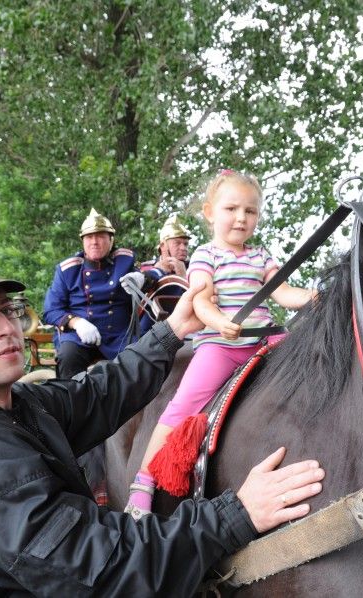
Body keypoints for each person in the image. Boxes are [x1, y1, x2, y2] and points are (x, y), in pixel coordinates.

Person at [0, 262, 324, 596]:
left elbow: (98, 395)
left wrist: (173, 331)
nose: (7, 328)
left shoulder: (9, 406)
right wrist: (236, 515)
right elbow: (102, 571)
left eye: (7, 311)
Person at [126, 170, 316, 518]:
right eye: (232, 209)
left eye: (250, 211)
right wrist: (218, 322)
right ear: (210, 212)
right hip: (221, 344)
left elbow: (283, 293)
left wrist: (312, 297)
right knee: (183, 404)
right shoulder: (205, 255)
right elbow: (200, 299)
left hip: (266, 339)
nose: (242, 218)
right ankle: (144, 480)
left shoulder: (261, 256)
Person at [42, 208, 158, 379]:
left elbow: (155, 277)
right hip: (78, 337)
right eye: (89, 237)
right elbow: (50, 310)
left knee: (143, 361)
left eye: (101, 236)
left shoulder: (124, 262)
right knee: (67, 357)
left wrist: (143, 277)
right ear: (83, 242)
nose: (94, 242)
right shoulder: (68, 270)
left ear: (111, 240)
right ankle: (73, 404)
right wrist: (77, 323)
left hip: (119, 337)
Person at [139, 212, 192, 279]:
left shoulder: (195, 269)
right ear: (162, 246)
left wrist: (184, 276)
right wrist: (155, 273)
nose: (183, 248)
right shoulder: (145, 268)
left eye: (186, 244)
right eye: (177, 243)